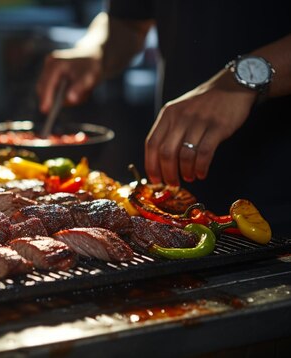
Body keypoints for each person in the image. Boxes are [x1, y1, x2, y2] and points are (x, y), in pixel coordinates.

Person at [36, 0, 291, 235]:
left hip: (278, 191)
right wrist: (94, 51)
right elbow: (127, 21)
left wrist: (243, 80)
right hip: (180, 196)